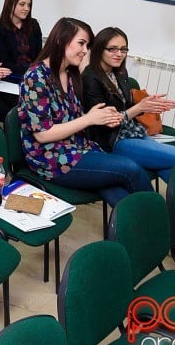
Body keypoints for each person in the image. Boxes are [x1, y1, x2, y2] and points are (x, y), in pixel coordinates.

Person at [18, 17, 152, 207]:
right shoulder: (36, 77)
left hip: (76, 147)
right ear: (60, 41)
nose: (85, 51)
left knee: (118, 190)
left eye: (87, 45)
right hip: (51, 158)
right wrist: (89, 119)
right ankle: (161, 224)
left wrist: (102, 118)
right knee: (132, 169)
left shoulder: (70, 74)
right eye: (81, 43)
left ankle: (142, 230)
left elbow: (72, 118)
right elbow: (43, 134)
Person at [82, 27, 175, 182]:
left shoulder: (119, 73)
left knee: (168, 168)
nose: (119, 54)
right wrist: (139, 107)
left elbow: (126, 108)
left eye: (123, 50)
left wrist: (146, 105)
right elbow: (104, 123)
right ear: (99, 49)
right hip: (112, 141)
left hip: (132, 132)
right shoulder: (90, 78)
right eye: (112, 49)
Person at [0, 0, 43, 77]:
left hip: (33, 75)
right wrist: (31, 71)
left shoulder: (34, 25)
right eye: (22, 4)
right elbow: (3, 62)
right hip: (10, 75)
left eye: (29, 5)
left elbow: (39, 55)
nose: (27, 8)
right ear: (11, 4)